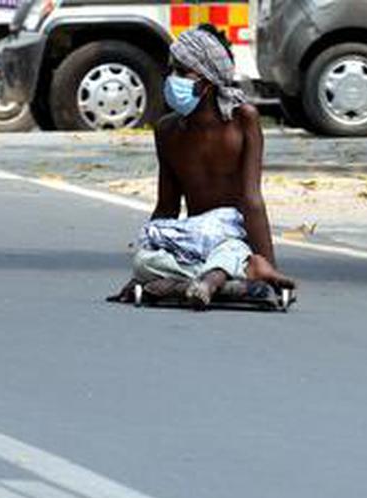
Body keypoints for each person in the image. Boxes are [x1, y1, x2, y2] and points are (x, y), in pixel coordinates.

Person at [107, 25, 295, 309]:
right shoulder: (167, 130)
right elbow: (167, 207)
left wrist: (267, 264)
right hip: (194, 240)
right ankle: (216, 282)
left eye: (183, 72)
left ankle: (204, 280)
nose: (173, 79)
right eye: (172, 70)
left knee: (232, 251)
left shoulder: (243, 119)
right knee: (144, 261)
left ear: (207, 82)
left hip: (232, 238)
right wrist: (142, 266)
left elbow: (251, 200)